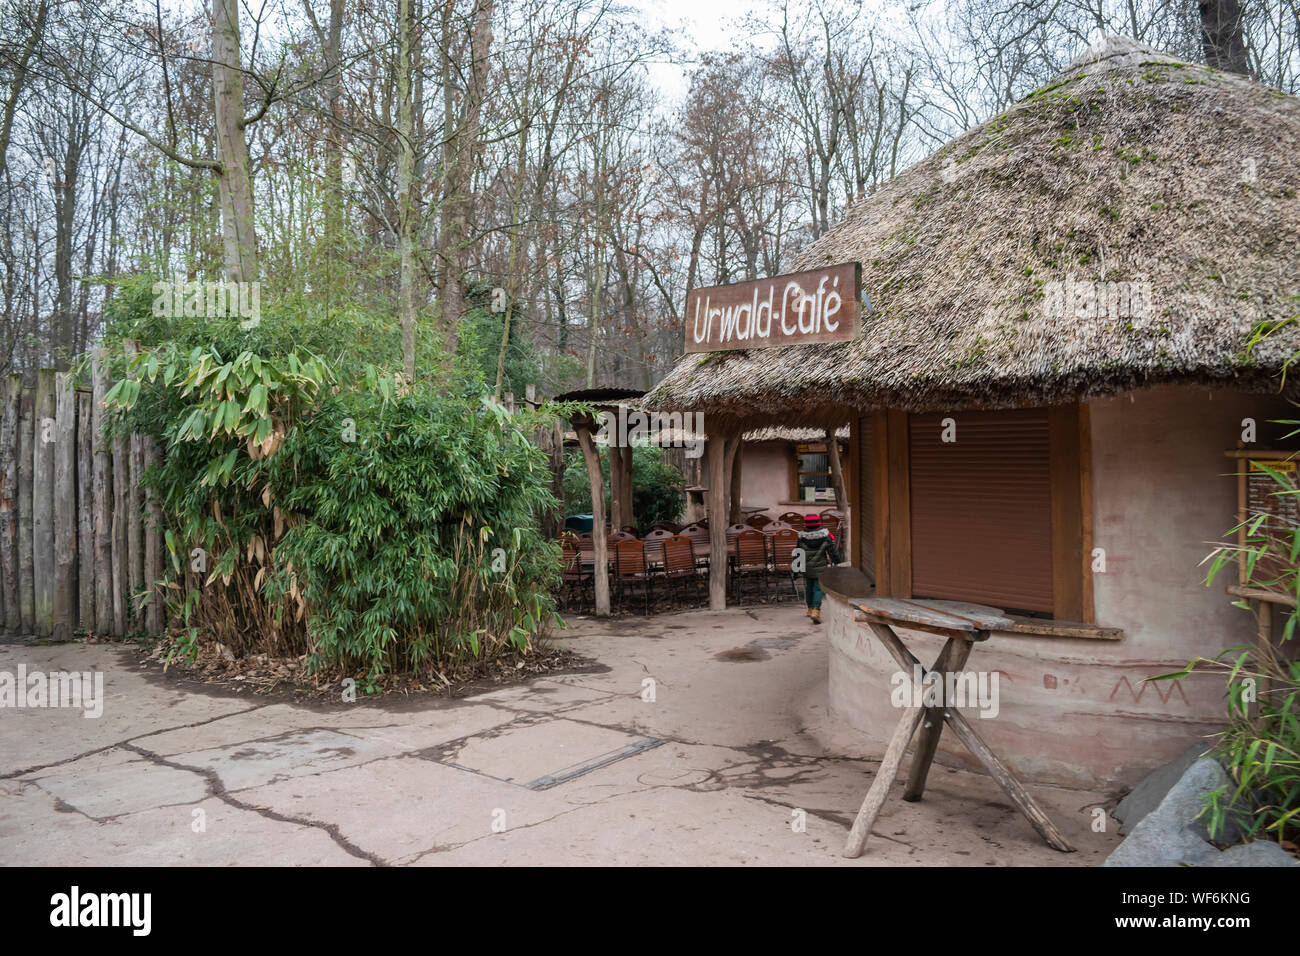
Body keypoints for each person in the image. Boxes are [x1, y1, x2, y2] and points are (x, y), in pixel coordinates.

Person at [798, 514, 841, 624]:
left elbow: (798, 553)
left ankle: (810, 609)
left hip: (806, 567)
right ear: (818, 523)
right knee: (818, 589)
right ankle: (816, 611)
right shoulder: (825, 535)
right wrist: (838, 563)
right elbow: (832, 551)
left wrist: (796, 568)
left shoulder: (801, 536)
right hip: (820, 567)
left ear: (806, 524)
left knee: (809, 587)